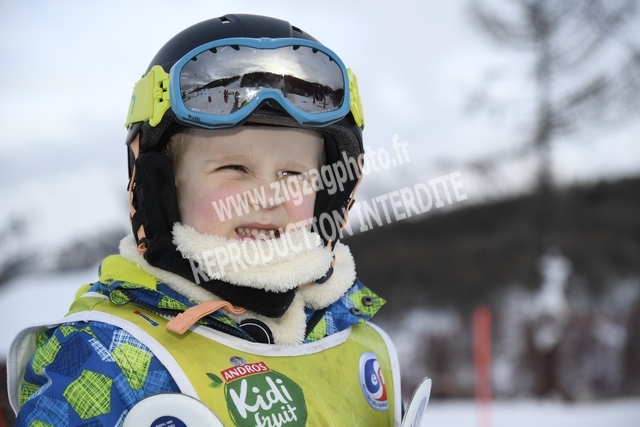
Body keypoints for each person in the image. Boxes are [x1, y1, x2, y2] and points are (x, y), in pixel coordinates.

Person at [7, 13, 401, 426]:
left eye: (292, 174)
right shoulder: (106, 360)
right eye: (234, 168)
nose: (268, 196)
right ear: (162, 188)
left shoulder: (356, 344)